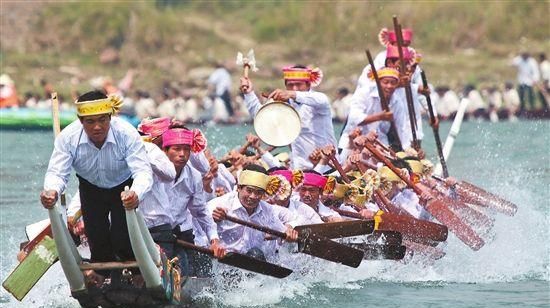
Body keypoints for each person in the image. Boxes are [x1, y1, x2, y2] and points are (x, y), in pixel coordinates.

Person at [41, 90, 153, 286]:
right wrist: (51, 192)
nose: (98, 127)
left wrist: (135, 194)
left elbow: (143, 172)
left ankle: (138, 273)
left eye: (103, 120)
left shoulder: (126, 133)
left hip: (123, 188)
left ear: (111, 117)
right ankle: (101, 275)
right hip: (90, 188)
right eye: (90, 121)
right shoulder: (68, 137)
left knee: (122, 236)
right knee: (96, 237)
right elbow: (57, 173)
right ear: (80, 120)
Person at [240, 65, 337, 169]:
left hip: (327, 168)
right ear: (286, 86)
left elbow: (323, 99)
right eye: (290, 85)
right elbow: (261, 117)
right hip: (298, 170)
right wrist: (249, 93)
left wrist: (292, 94)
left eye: (299, 84)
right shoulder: (285, 107)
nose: (295, 88)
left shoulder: (318, 102)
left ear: (309, 85)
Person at [162, 126, 224, 275]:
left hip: (180, 232)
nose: (182, 154)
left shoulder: (194, 176)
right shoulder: (153, 172)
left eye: (186, 149)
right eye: (176, 149)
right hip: (154, 232)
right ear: (165, 151)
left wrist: (214, 240)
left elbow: (200, 212)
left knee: (191, 270)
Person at [210, 164, 298, 261]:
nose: (252, 196)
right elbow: (199, 226)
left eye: (258, 192)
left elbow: (288, 225)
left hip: (254, 261)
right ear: (239, 188)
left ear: (263, 194)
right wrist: (214, 242)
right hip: (225, 261)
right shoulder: (218, 205)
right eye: (249, 190)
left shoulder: (268, 210)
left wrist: (289, 232)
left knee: (255, 253)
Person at [339, 67, 413, 156]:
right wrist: (379, 117)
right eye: (385, 82)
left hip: (380, 145)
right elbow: (354, 118)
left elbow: (402, 129)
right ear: (378, 83)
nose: (389, 86)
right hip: (353, 142)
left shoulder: (397, 102)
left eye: (393, 83)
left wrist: (408, 150)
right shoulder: (364, 93)